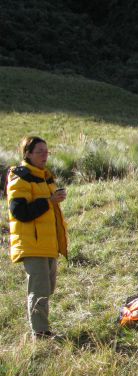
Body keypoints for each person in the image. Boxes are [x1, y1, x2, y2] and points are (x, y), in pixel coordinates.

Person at [7, 136, 68, 339]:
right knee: (40, 289)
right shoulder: (20, 179)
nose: (45, 155)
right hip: (32, 244)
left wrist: (54, 199)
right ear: (27, 154)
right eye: (40, 151)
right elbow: (19, 212)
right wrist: (49, 201)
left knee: (48, 288)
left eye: (46, 151)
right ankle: (41, 334)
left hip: (47, 243)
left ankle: (41, 328)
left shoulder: (44, 176)